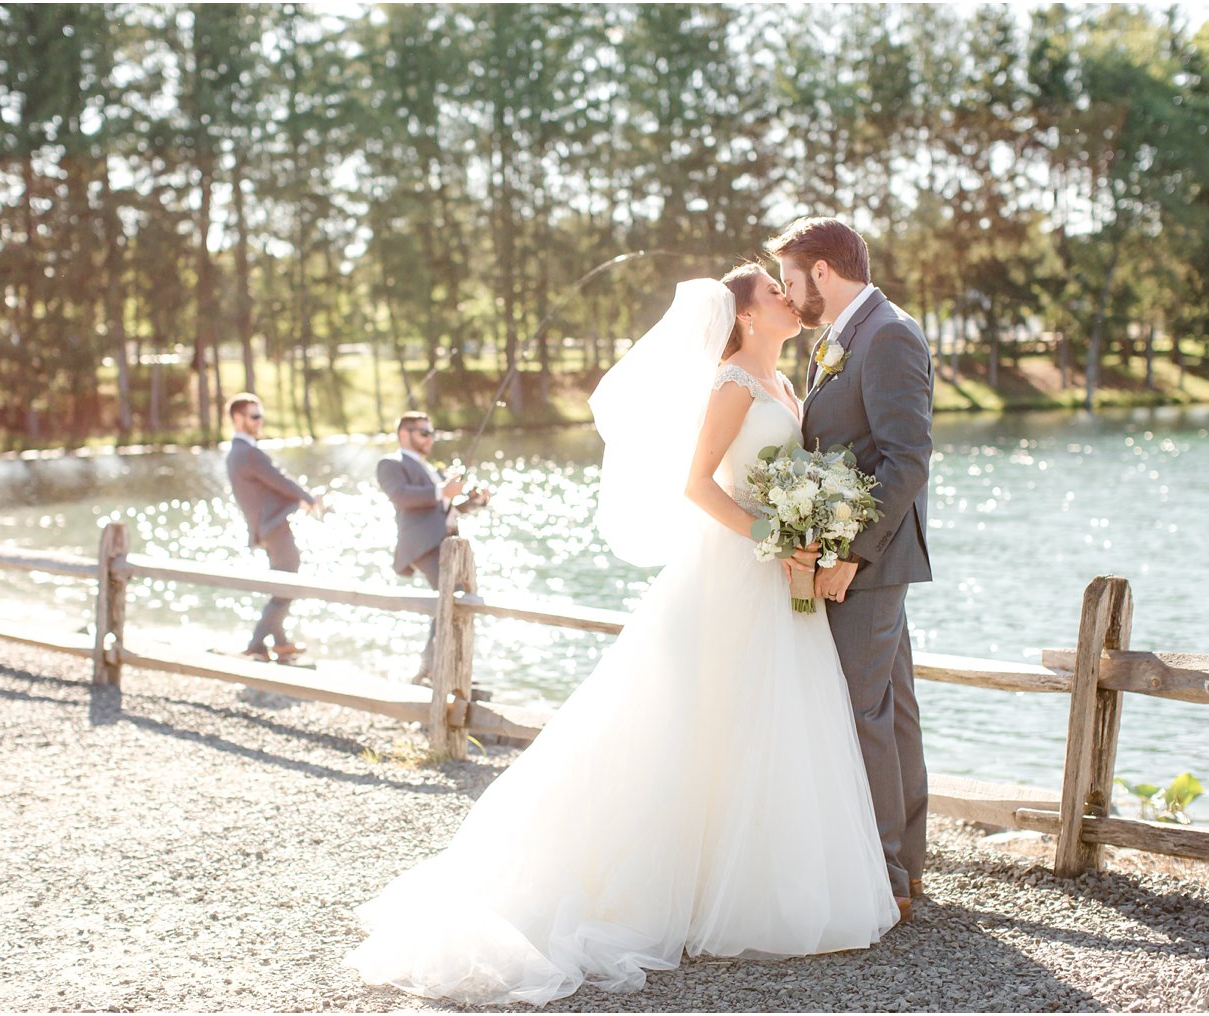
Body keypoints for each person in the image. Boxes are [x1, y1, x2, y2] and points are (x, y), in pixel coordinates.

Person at [346, 269, 898, 1007]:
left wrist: (810, 528)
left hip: (775, 577)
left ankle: (752, 883)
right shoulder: (733, 382)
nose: (785, 296)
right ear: (742, 313)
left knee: (763, 721)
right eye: (771, 289)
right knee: (694, 719)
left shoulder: (789, 384)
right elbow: (699, 485)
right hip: (734, 571)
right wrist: (778, 532)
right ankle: (671, 888)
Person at [769, 216, 935, 921]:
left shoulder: (889, 334)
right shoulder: (841, 338)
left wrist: (852, 555)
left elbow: (906, 460)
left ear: (823, 273)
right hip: (852, 553)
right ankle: (908, 869)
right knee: (890, 710)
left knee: (864, 713)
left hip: (868, 558)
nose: (788, 294)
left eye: (791, 280)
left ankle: (888, 879)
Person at [375, 412, 488, 683]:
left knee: (452, 599)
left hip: (446, 543)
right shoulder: (390, 463)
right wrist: (441, 491)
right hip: (423, 544)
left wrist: (476, 501)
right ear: (405, 434)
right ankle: (435, 669)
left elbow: (447, 509)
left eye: (431, 433)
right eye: (424, 433)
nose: (430, 438)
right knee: (453, 597)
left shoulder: (433, 469)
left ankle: (436, 667)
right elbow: (401, 496)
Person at [225, 393, 325, 663]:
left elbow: (269, 486)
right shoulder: (248, 453)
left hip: (267, 528)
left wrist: (300, 499)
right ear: (238, 418)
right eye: (254, 416)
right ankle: (257, 645)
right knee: (287, 585)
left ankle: (280, 642)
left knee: (281, 581)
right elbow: (278, 480)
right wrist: (308, 498)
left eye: (260, 416)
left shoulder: (239, 453)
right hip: (273, 529)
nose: (259, 421)